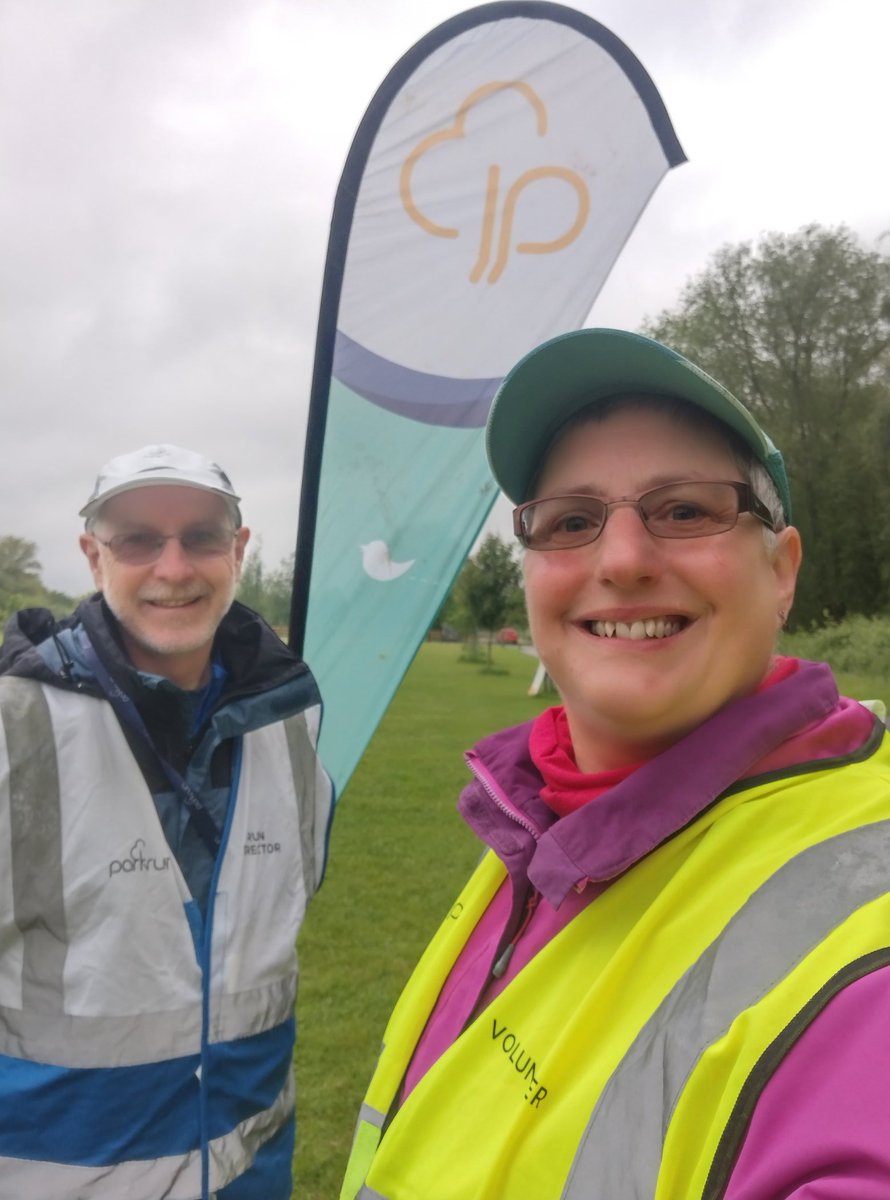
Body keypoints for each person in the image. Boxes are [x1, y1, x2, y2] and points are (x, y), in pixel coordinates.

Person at [340, 329, 890, 1199]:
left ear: (781, 572)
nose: (623, 560)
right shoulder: (536, 808)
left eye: (684, 511)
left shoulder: (867, 902)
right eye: (570, 521)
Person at [0, 444, 333, 1200]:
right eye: (139, 539)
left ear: (239, 550)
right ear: (94, 557)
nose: (174, 567)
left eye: (202, 537)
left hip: (251, 1174)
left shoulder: (292, 724)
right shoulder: (15, 727)